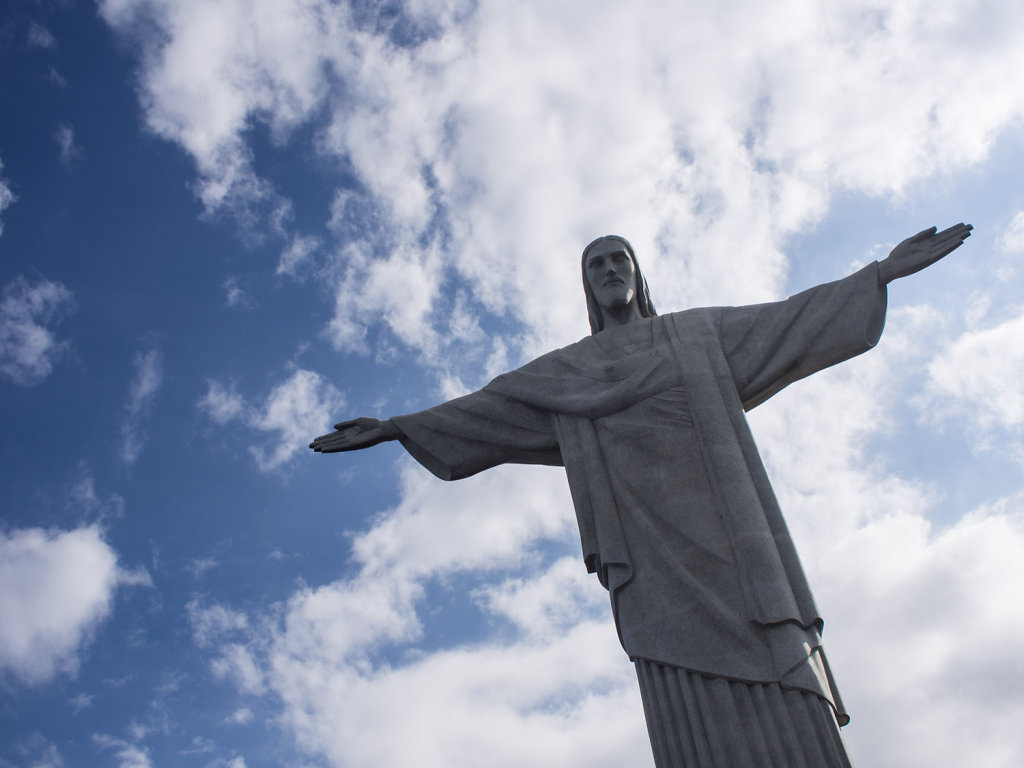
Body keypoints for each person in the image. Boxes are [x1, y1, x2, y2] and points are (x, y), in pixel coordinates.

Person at [311, 224, 972, 768]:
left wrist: (878, 275)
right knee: (685, 699)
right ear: (587, 285)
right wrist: (399, 427)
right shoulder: (564, 372)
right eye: (595, 263)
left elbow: (788, 321)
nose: (607, 269)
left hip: (738, 550)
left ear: (637, 272)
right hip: (654, 567)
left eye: (617, 258)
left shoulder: (696, 335)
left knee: (780, 671)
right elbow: (489, 409)